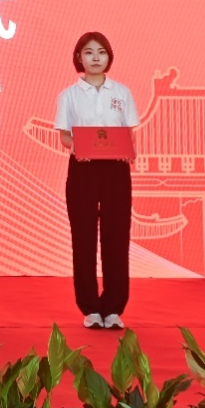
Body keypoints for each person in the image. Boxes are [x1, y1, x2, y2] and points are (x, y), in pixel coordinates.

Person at [53, 31, 139, 331]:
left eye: (101, 52)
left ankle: (113, 308)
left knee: (117, 238)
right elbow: (65, 136)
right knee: (84, 238)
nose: (95, 58)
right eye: (88, 53)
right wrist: (78, 148)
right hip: (83, 170)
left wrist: (130, 151)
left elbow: (129, 132)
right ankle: (90, 308)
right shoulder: (69, 95)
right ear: (79, 58)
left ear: (109, 56)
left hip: (116, 171)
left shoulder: (122, 93)